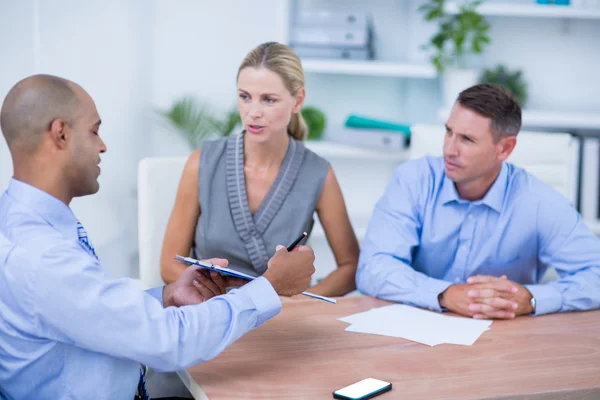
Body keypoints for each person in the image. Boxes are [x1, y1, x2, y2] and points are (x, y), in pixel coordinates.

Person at [0, 74, 316, 400]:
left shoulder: (21, 220)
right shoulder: (41, 256)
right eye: (94, 130)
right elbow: (167, 340)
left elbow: (91, 312)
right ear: (61, 134)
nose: (103, 145)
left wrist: (166, 296)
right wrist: (271, 285)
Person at [357, 83, 600, 319]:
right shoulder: (412, 180)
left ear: (504, 149)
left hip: (504, 341)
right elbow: (373, 268)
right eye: (448, 131)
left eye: (467, 140)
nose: (450, 149)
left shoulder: (539, 202)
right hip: (412, 331)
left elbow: (596, 274)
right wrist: (445, 295)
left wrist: (532, 299)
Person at [160, 42, 359, 298]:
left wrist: (296, 305)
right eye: (245, 97)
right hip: (211, 309)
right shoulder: (201, 163)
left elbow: (350, 267)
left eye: (268, 100)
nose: (253, 113)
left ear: (297, 100)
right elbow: (168, 264)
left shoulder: (318, 173)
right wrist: (225, 303)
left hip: (283, 316)